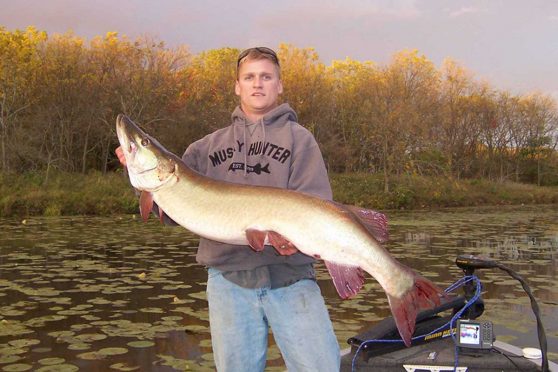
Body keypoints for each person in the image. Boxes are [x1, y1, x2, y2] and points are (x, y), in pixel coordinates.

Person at [117, 47, 340, 372]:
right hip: (228, 283)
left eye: (266, 76)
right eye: (249, 77)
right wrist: (135, 170)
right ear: (237, 86)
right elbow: (169, 219)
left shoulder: (300, 141)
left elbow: (316, 205)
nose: (257, 84)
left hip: (291, 279)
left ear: (279, 85)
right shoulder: (204, 149)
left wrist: (293, 237)